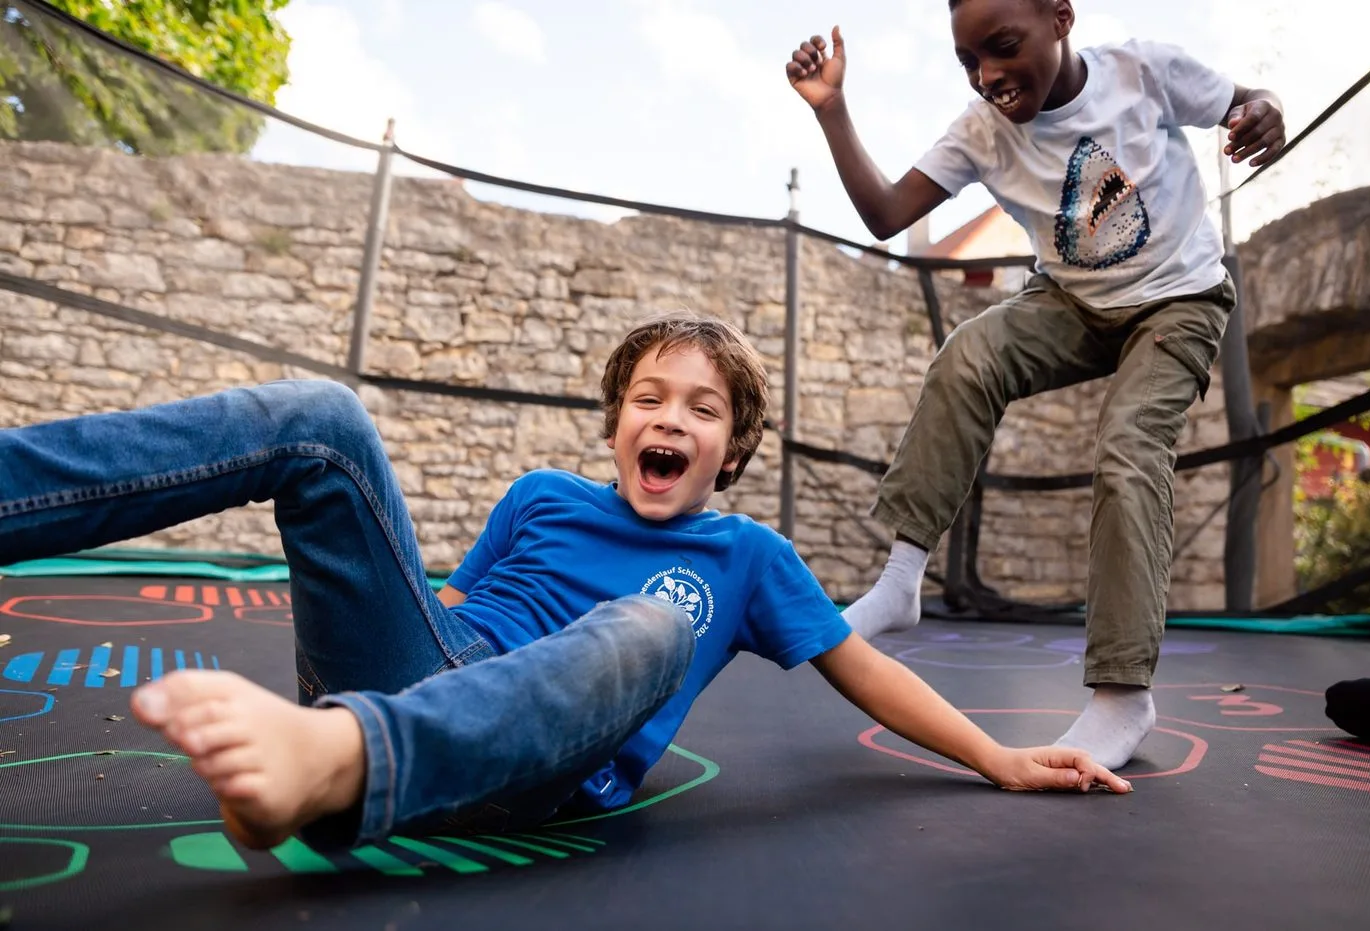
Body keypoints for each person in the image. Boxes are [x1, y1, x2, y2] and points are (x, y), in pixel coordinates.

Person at [0, 312, 1129, 852]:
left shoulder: (746, 557)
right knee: (322, 418)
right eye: (648, 398)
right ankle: (336, 752)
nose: (669, 417)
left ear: (731, 449)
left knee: (651, 626)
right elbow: (448, 612)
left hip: (537, 758)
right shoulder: (540, 496)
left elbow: (862, 666)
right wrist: (384, 634)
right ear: (615, 421)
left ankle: (335, 760)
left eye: (701, 408)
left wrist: (995, 754)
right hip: (414, 678)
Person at [785, 0, 1286, 769]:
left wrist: (1265, 112)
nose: (987, 75)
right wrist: (832, 110)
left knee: (1129, 449)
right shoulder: (981, 130)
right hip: (1072, 301)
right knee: (968, 355)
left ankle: (1123, 695)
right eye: (969, 61)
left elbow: (1250, 99)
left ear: (1060, 18)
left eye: (1002, 47)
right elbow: (886, 214)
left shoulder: (1143, 71)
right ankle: (900, 580)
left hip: (1179, 300)